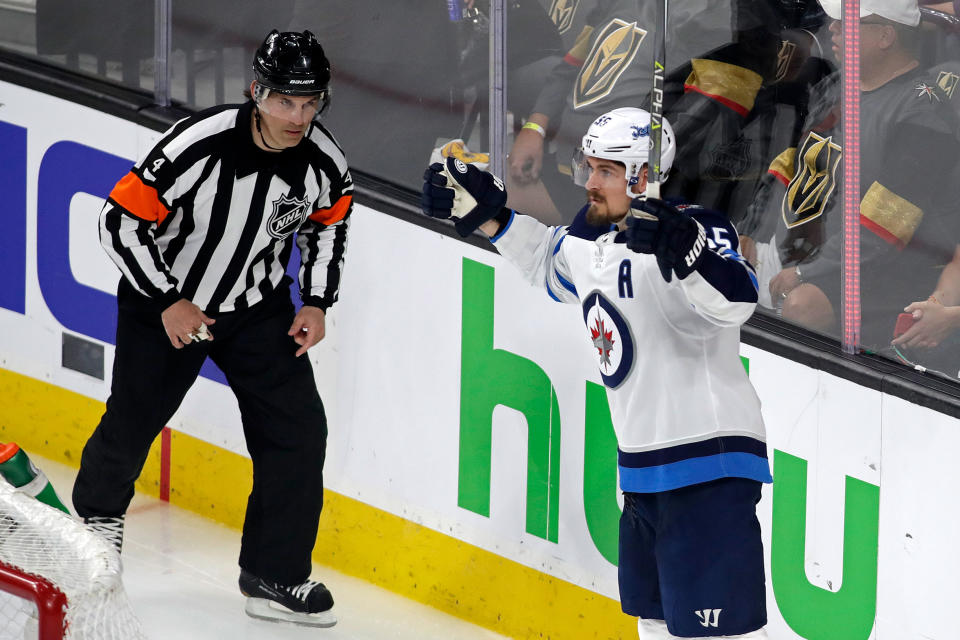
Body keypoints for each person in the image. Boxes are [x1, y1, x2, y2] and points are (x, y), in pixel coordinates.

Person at [423, 107, 771, 639]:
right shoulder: (593, 233)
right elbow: (550, 262)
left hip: (710, 464)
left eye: (605, 171)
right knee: (654, 625)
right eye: (589, 168)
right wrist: (489, 216)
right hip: (642, 470)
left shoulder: (698, 227)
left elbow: (737, 300)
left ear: (642, 176)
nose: (590, 182)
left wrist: (690, 253)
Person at [71, 30, 351, 628]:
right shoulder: (200, 144)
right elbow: (118, 221)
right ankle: (94, 528)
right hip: (167, 306)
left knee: (299, 430)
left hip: (256, 309)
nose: (298, 117)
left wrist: (318, 301)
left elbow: (327, 227)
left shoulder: (325, 162)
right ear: (257, 92)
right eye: (284, 101)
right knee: (134, 417)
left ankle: (274, 574)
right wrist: (169, 299)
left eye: (310, 103)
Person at [739, 0, 960, 354]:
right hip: (802, 252)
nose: (833, 32)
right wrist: (752, 230)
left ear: (886, 35)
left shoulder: (922, 115)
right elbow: (791, 162)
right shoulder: (836, 85)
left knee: (802, 307)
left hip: (879, 268)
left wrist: (807, 272)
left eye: (846, 24)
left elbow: (883, 227)